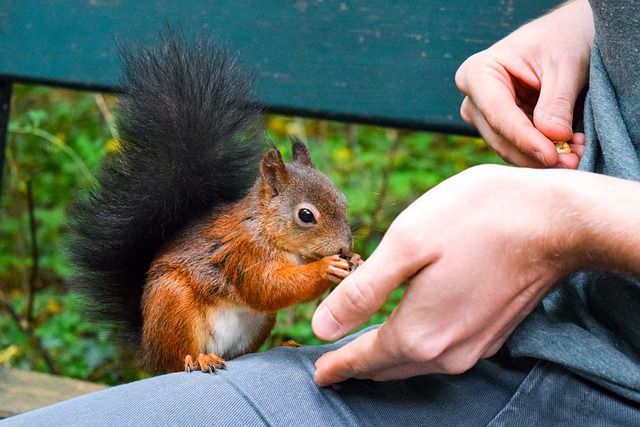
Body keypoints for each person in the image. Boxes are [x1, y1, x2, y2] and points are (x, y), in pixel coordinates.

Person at [3, 0, 639, 425]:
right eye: (313, 222)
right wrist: (587, 21)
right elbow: (260, 286)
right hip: (199, 333)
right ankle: (192, 363)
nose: (335, 239)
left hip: (596, 376)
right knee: (172, 289)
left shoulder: (283, 243)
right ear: (272, 196)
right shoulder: (253, 241)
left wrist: (568, 219)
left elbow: (270, 290)